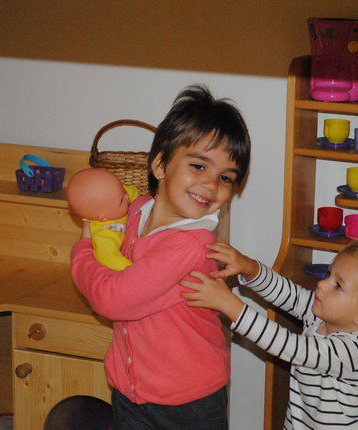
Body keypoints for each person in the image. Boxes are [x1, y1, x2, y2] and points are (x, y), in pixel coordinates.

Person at [70, 84, 251, 430]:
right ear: (160, 164)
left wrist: (82, 253)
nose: (211, 184)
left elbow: (112, 299)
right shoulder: (137, 211)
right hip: (131, 392)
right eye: (198, 166)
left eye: (225, 177)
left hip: (187, 403)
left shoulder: (189, 244)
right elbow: (112, 243)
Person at [181, 239, 358, 430]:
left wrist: (228, 303)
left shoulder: (352, 351)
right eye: (329, 274)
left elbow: (288, 346)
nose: (322, 284)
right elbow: (288, 294)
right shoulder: (321, 317)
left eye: (338, 285)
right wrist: (249, 267)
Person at [67, 167, 140, 270]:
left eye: (122, 190)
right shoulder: (105, 235)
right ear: (103, 217)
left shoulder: (115, 196)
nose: (127, 197)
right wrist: (133, 268)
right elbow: (110, 258)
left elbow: (132, 191)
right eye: (121, 201)